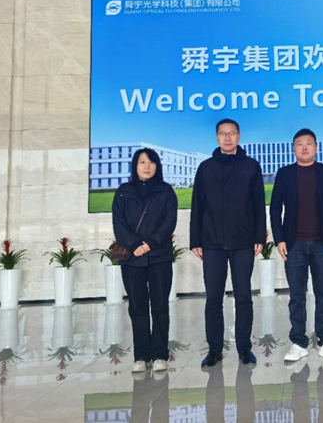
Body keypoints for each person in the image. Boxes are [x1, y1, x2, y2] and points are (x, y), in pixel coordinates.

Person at [190, 118, 266, 368]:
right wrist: (195, 240)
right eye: (223, 134)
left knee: (243, 296)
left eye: (232, 133)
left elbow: (258, 204)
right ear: (216, 138)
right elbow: (198, 205)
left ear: (239, 136)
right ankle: (214, 349)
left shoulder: (251, 166)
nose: (227, 138)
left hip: (243, 241)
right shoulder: (206, 168)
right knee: (213, 297)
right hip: (212, 242)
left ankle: (244, 347)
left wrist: (259, 237)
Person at [269, 128, 323, 363]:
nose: (304, 147)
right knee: (296, 296)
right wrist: (280, 239)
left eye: (309, 143)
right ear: (293, 148)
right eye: (299, 143)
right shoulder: (284, 174)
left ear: (316, 147)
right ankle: (298, 343)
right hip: (294, 245)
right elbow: (275, 208)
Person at [112, 148, 178, 373]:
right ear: (135, 166)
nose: (147, 166)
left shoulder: (166, 190)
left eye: (151, 162)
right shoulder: (123, 192)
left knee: (160, 306)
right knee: (137, 307)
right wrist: (134, 245)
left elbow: (170, 221)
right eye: (142, 162)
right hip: (132, 260)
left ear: (157, 166)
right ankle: (140, 356)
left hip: (159, 257)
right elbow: (118, 223)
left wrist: (150, 243)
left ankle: (160, 355)